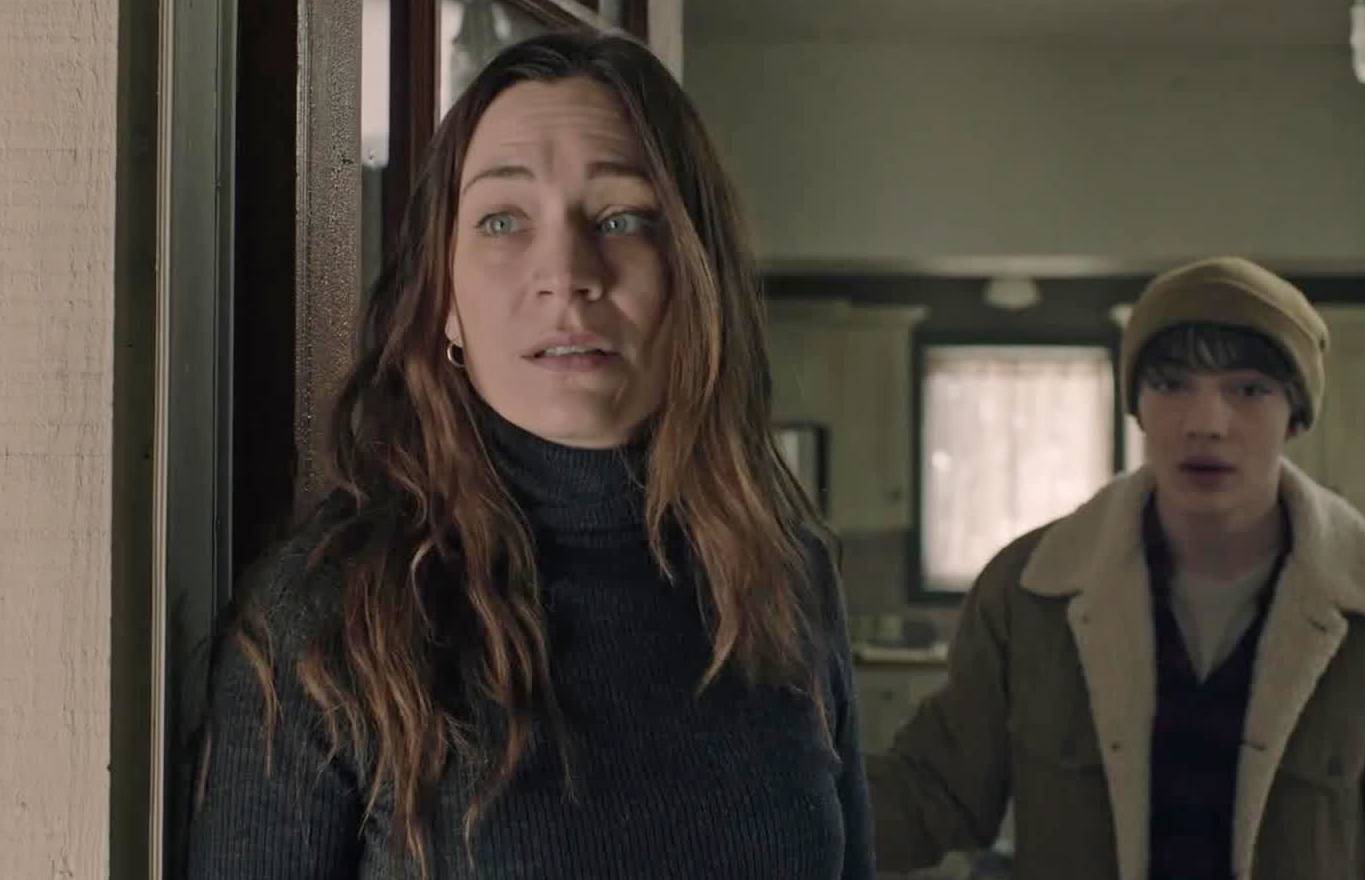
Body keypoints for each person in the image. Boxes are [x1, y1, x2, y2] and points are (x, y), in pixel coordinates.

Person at [188, 32, 871, 880]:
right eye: (503, 221)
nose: (566, 274)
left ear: (696, 279)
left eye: (621, 219)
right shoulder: (329, 618)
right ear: (444, 300)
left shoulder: (784, 577)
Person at [869, 257, 1365, 879]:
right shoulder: (1028, 594)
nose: (1205, 423)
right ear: (1138, 405)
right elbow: (933, 793)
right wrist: (806, 810)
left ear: (1295, 415)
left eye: (1248, 389)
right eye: (1172, 384)